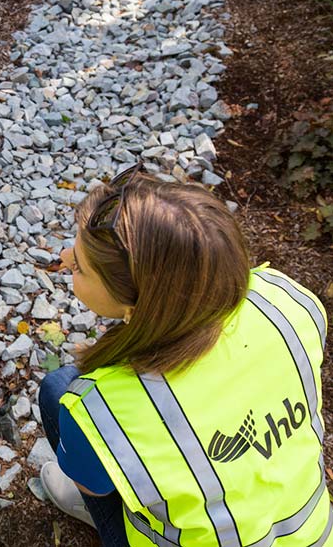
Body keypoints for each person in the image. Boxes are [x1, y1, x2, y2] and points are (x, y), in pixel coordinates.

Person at [37, 162, 330, 546]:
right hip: (311, 536)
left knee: (58, 390)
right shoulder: (289, 301)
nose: (63, 256)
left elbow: (91, 483)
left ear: (139, 308)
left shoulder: (102, 408)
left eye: (81, 268)